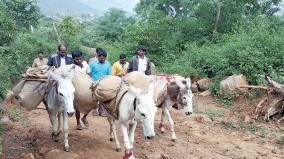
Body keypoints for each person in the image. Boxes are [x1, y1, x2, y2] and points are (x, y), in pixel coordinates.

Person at [72, 50, 91, 130]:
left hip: (86, 88)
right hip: (76, 90)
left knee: (93, 104)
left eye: (80, 58)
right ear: (73, 59)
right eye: (77, 59)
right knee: (77, 108)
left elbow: (89, 75)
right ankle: (78, 123)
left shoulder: (86, 65)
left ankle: (84, 117)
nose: (79, 60)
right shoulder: (71, 67)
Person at [89, 48, 112, 116]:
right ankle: (94, 110)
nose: (102, 59)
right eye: (100, 57)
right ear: (98, 56)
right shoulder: (92, 64)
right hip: (94, 83)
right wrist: (92, 81)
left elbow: (109, 75)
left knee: (103, 98)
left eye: (103, 58)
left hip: (104, 83)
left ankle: (101, 111)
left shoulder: (108, 64)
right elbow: (90, 73)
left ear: (105, 57)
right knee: (94, 97)